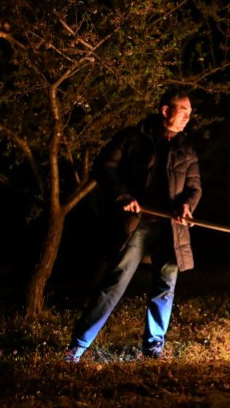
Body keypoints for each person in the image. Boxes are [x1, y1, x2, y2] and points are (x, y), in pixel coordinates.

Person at [65, 92, 201, 362]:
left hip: (171, 229)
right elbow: (104, 167)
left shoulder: (186, 148)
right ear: (165, 110)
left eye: (190, 112)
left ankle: (153, 350)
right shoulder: (132, 138)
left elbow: (194, 187)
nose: (188, 116)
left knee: (165, 288)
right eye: (183, 110)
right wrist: (123, 195)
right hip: (134, 225)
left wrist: (187, 206)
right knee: (114, 283)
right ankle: (76, 348)